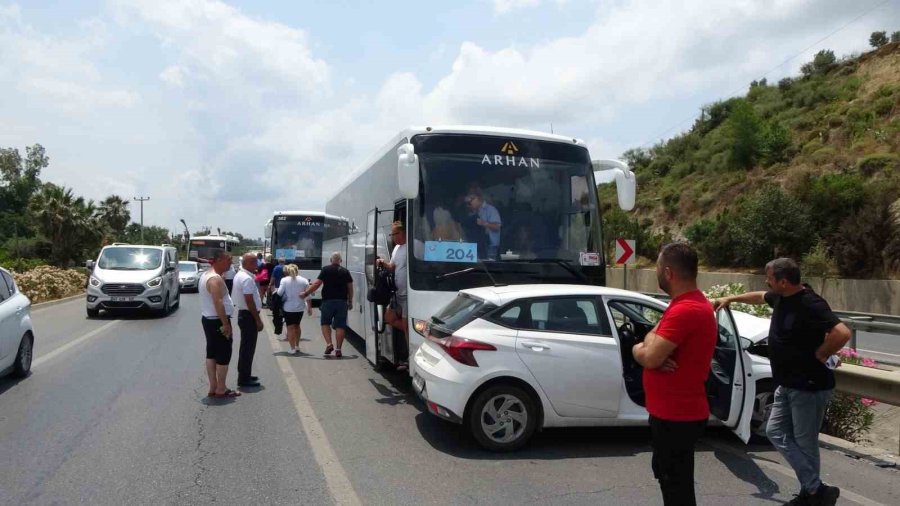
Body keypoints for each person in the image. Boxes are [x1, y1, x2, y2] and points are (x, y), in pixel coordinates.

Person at [713, 258, 850, 506]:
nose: (767, 282)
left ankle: (811, 494)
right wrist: (730, 300)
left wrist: (822, 353)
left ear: (783, 281)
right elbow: (759, 296)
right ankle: (816, 489)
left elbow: (842, 332)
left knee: (805, 442)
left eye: (770, 278)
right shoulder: (780, 297)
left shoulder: (811, 303)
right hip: (786, 384)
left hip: (809, 386)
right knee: (775, 431)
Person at [632, 242, 716, 506]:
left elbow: (650, 356)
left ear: (668, 272)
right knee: (670, 480)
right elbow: (652, 337)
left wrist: (638, 349)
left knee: (676, 487)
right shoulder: (684, 305)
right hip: (672, 414)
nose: (655, 272)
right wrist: (650, 345)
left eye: (657, 267)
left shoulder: (685, 310)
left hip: (677, 416)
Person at [199, 249, 240, 398]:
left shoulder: (207, 275)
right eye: (228, 260)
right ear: (218, 260)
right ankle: (221, 388)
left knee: (211, 354)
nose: (230, 262)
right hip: (217, 321)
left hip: (208, 320)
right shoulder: (214, 279)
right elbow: (218, 302)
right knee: (223, 354)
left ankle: (213, 387)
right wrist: (226, 324)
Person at [302, 252, 353, 359]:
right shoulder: (345, 271)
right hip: (342, 302)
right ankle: (338, 349)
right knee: (340, 325)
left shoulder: (325, 270)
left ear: (331, 260)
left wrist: (306, 293)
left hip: (327, 301)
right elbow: (350, 288)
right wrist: (350, 301)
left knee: (325, 323)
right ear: (341, 261)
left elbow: (316, 284)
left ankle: (329, 344)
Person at [378, 221, 409, 369]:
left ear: (403, 233)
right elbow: (392, 267)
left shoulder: (413, 246)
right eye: (391, 234)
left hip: (408, 294)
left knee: (406, 326)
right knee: (388, 318)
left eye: (395, 234)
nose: (393, 237)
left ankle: (410, 360)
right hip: (397, 294)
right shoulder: (396, 248)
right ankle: (408, 329)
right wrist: (383, 263)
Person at [232, 253, 265, 388]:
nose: (256, 265)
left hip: (245, 315)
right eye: (254, 263)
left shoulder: (242, 275)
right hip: (248, 316)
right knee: (248, 348)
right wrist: (258, 320)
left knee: (246, 347)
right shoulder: (246, 279)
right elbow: (249, 300)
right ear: (248, 263)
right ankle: (244, 378)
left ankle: (245, 374)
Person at [277, 264, 310, 355]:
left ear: (287, 271)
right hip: (300, 308)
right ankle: (297, 345)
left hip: (288, 308)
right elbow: (308, 295)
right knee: (297, 326)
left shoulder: (284, 280)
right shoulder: (304, 280)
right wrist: (310, 308)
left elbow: (279, 293)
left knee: (290, 327)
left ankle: (292, 349)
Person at [465, 189, 502, 260]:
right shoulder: (473, 212)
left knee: (489, 267)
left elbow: (497, 227)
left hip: (490, 247)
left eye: (471, 200)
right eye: (468, 202)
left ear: (479, 198)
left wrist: (484, 223)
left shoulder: (491, 210)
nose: (469, 203)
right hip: (477, 247)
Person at [269, 258, 286, 338]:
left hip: (277, 288)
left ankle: (280, 312)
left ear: (278, 262)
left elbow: (273, 278)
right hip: (286, 289)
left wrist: (270, 285)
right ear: (284, 262)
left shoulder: (276, 268)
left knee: (277, 304)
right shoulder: (286, 267)